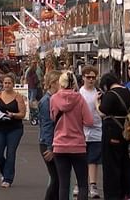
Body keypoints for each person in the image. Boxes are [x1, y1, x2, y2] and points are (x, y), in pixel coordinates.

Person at [51, 71, 94, 200]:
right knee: (82, 184)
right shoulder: (80, 98)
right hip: (78, 145)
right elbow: (89, 122)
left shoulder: (54, 98)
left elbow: (52, 117)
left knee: (64, 184)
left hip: (59, 145)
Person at [0, 72, 26, 188]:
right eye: (5, 83)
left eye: (9, 83)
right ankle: (4, 170)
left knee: (11, 153)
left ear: (13, 84)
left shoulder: (18, 97)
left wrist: (13, 115)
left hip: (14, 128)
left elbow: (23, 114)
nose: (7, 85)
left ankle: (8, 178)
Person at [98, 72, 130, 200]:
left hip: (112, 131)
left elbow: (102, 112)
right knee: (127, 164)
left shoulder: (110, 95)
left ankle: (113, 196)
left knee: (111, 167)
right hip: (128, 131)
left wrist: (96, 103)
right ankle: (127, 194)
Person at [78, 66, 103, 199]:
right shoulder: (79, 93)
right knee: (81, 159)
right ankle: (80, 183)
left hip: (97, 130)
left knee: (93, 159)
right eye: (88, 77)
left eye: (94, 77)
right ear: (83, 78)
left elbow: (103, 111)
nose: (91, 80)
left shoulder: (99, 93)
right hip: (81, 131)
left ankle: (93, 184)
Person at [39, 70, 63, 200]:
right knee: (57, 179)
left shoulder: (53, 99)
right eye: (60, 83)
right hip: (48, 143)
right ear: (53, 83)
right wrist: (50, 147)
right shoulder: (46, 101)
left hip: (53, 142)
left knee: (58, 178)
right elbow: (47, 126)